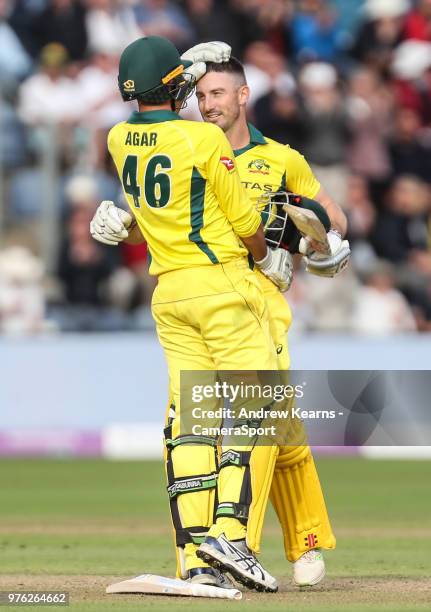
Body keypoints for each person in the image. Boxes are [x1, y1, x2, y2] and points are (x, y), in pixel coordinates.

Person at [90, 36, 294, 593]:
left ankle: (192, 555)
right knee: (258, 405)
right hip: (222, 285)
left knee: (192, 422)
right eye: (184, 78)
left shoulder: (117, 136)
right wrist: (269, 257)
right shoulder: (202, 136)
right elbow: (242, 217)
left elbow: (163, 182)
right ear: (175, 86)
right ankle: (229, 532)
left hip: (170, 294)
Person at [195, 56, 349, 586]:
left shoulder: (280, 158)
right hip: (205, 302)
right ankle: (304, 542)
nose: (207, 104)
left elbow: (333, 216)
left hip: (262, 307)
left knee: (253, 425)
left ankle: (239, 545)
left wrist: (320, 234)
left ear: (243, 96)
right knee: (276, 429)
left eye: (217, 93)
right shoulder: (188, 150)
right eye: (201, 96)